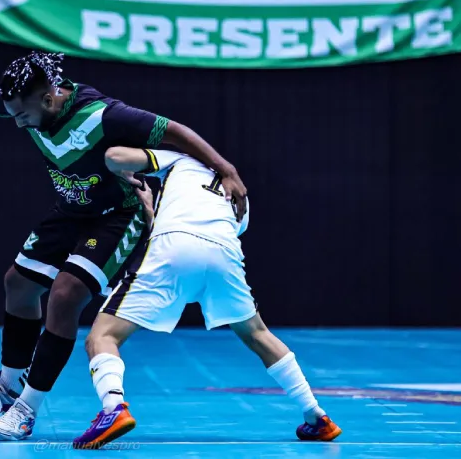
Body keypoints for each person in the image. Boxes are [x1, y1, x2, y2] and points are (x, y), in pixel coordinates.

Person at [0, 51, 248, 440]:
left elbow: (175, 131)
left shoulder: (103, 115)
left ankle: (26, 410)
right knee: (18, 284)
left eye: (22, 114)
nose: (17, 121)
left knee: (65, 295)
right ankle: (7, 385)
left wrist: (227, 170)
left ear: (48, 99)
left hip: (117, 217)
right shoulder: (23, 101)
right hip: (71, 211)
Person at [72, 147, 342, 449]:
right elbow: (213, 233)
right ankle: (316, 414)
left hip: (173, 245)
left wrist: (125, 173)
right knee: (257, 334)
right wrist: (152, 210)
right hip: (224, 253)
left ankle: (113, 408)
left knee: (102, 336)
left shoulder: (180, 159)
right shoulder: (240, 195)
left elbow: (114, 156)